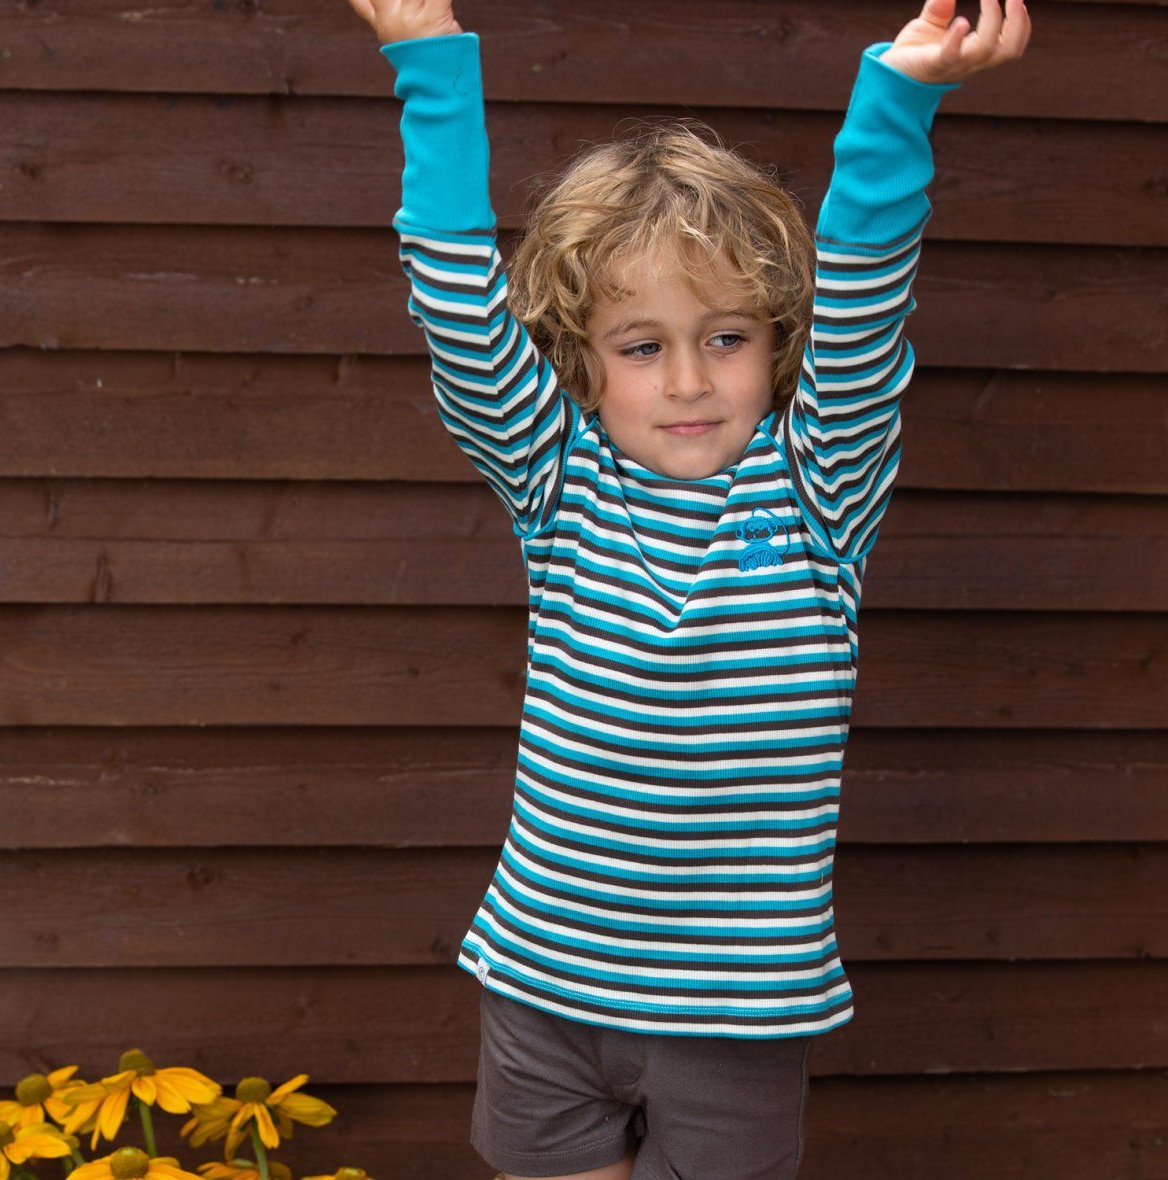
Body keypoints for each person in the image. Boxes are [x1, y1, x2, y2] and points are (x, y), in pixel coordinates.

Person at [341, 1, 1031, 1176]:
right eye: (643, 344)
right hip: (543, 983)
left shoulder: (820, 493)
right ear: (578, 356)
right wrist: (427, 57)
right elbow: (456, 295)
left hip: (739, 1016)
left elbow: (867, 284)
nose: (689, 380)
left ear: (778, 344)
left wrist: (898, 101)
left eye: (726, 337)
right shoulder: (558, 481)